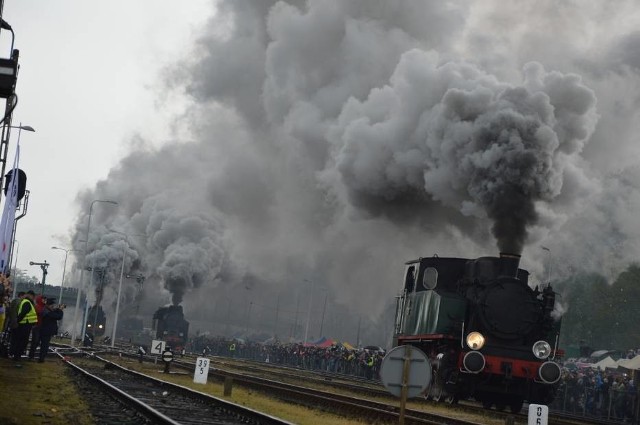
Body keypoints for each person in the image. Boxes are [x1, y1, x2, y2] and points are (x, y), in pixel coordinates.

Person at [10, 290, 36, 361]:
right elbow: (23, 313)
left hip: (24, 324)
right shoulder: (27, 302)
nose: (34, 298)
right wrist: (18, 321)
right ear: (30, 295)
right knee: (22, 341)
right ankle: (17, 356)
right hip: (25, 325)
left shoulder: (26, 302)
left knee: (20, 341)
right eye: (33, 296)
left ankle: (16, 355)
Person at [38, 298, 64, 363]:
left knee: (44, 345)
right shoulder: (47, 312)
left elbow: (54, 313)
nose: (53, 307)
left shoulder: (47, 310)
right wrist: (60, 310)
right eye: (52, 306)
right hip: (45, 331)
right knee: (44, 346)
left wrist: (58, 309)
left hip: (46, 331)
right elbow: (58, 317)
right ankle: (41, 359)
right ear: (49, 305)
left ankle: (41, 358)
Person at [28, 294, 47, 360]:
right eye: (43, 299)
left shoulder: (44, 307)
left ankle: (32, 355)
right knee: (35, 341)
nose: (44, 300)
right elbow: (40, 313)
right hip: (36, 326)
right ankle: (31, 356)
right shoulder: (37, 306)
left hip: (41, 326)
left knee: (37, 341)